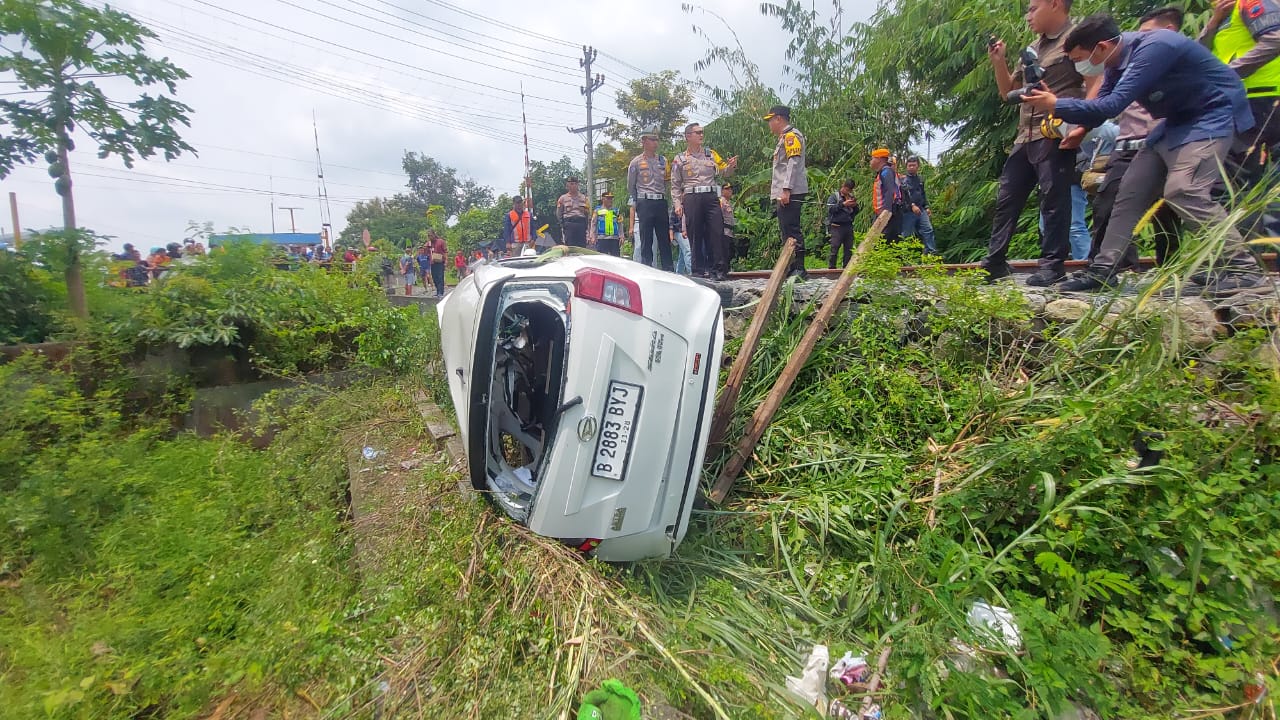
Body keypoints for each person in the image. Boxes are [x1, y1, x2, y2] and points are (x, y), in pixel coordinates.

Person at [1024, 14, 1265, 294]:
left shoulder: (1155, 47)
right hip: (1174, 121)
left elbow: (1111, 105)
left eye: (1081, 58)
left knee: (1183, 190)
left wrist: (1055, 104)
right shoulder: (1117, 58)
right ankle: (1104, 269)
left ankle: (1242, 269)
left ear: (1101, 47)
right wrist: (1081, 128)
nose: (1082, 66)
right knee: (1131, 190)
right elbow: (1103, 101)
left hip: (1213, 115)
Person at [983, 0, 1098, 286]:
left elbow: (1096, 84)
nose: (1028, 15)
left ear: (1056, 5)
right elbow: (1007, 92)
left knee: (1054, 200)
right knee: (1007, 200)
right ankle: (994, 262)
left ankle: (1052, 265)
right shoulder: (1032, 49)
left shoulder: (1077, 40)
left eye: (1033, 8)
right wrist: (999, 62)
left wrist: (1082, 127)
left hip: (1056, 132)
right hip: (1026, 135)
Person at [1087, 8, 1184, 269]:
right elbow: (1106, 101)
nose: (1141, 40)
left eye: (1147, 34)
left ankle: (1169, 270)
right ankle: (1107, 269)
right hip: (1126, 144)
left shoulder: (1178, 60)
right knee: (1108, 205)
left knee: (1166, 214)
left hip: (1162, 142)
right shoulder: (1124, 63)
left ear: (1170, 32)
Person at [672, 122, 738, 280]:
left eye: (702, 132)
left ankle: (718, 269)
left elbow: (725, 173)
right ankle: (698, 270)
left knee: (716, 231)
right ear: (688, 136)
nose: (701, 135)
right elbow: (675, 185)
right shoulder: (680, 159)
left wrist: (731, 166)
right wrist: (677, 204)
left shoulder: (711, 154)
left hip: (710, 196)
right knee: (695, 234)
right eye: (698, 132)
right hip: (691, 197)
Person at [764, 105, 809, 279]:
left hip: (790, 191)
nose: (769, 124)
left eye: (770, 120)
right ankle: (790, 266)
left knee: (792, 229)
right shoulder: (784, 137)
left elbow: (793, 164)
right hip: (784, 192)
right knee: (786, 230)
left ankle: (799, 268)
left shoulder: (791, 137)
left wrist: (786, 189)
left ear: (778, 119)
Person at [627, 129, 673, 270]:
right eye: (652, 140)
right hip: (645, 201)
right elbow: (631, 186)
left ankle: (668, 268)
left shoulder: (663, 161)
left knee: (664, 238)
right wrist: (639, 201)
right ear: (644, 141)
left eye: (656, 140)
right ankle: (647, 268)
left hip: (660, 201)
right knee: (646, 238)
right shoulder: (636, 162)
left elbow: (668, 181)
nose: (655, 143)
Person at [899, 156, 938, 254]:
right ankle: (903, 255)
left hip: (921, 209)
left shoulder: (920, 179)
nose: (911, 167)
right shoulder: (903, 180)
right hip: (908, 211)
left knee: (928, 229)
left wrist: (927, 207)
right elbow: (904, 196)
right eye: (909, 165)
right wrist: (912, 205)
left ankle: (931, 253)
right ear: (906, 166)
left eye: (914, 165)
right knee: (906, 234)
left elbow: (923, 194)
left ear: (918, 166)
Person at [826, 179, 860, 268]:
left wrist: (854, 206)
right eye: (846, 189)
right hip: (836, 226)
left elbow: (856, 212)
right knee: (835, 248)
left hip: (848, 225)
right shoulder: (834, 197)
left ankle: (846, 268)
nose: (847, 192)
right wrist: (843, 204)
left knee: (849, 249)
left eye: (849, 190)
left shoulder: (851, 197)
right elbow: (830, 209)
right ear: (843, 186)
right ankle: (832, 268)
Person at [870, 149, 903, 242]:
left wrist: (886, 213)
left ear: (879, 159)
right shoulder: (882, 172)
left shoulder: (886, 172)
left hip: (888, 212)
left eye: (872, 158)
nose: (871, 161)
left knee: (881, 239)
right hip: (884, 211)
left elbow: (890, 192)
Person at [556, 177, 590, 247]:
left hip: (581, 224)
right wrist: (563, 225)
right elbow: (559, 213)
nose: (573, 186)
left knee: (581, 246)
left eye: (575, 184)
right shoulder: (562, 198)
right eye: (571, 184)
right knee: (570, 247)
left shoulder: (584, 198)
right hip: (569, 224)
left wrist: (586, 226)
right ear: (567, 186)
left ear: (578, 185)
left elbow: (587, 213)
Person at [590, 191, 623, 256]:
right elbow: (593, 223)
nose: (610, 200)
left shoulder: (616, 211)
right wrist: (592, 236)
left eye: (611, 198)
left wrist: (621, 236)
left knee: (615, 259)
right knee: (602, 259)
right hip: (602, 238)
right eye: (608, 198)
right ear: (603, 199)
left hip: (614, 239)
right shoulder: (597, 210)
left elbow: (620, 224)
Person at [720, 183, 743, 264]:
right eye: (727, 189)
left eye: (730, 189)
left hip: (729, 232)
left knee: (730, 253)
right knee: (724, 254)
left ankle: (726, 270)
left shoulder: (728, 202)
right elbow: (718, 216)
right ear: (722, 191)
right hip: (724, 232)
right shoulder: (721, 202)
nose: (730, 191)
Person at [670, 206, 692, 275]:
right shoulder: (677, 204)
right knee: (688, 250)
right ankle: (691, 272)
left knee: (682, 253)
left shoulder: (688, 202)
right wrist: (671, 233)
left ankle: (679, 273)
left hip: (687, 231)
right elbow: (671, 220)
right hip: (678, 231)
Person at [430, 232, 448, 297]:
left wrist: (446, 260)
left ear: (434, 235)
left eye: (431, 235)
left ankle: (441, 292)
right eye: (429, 236)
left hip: (440, 262)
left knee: (440, 277)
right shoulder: (429, 243)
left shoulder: (441, 241)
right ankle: (437, 291)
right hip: (433, 263)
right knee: (434, 277)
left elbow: (445, 251)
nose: (430, 237)